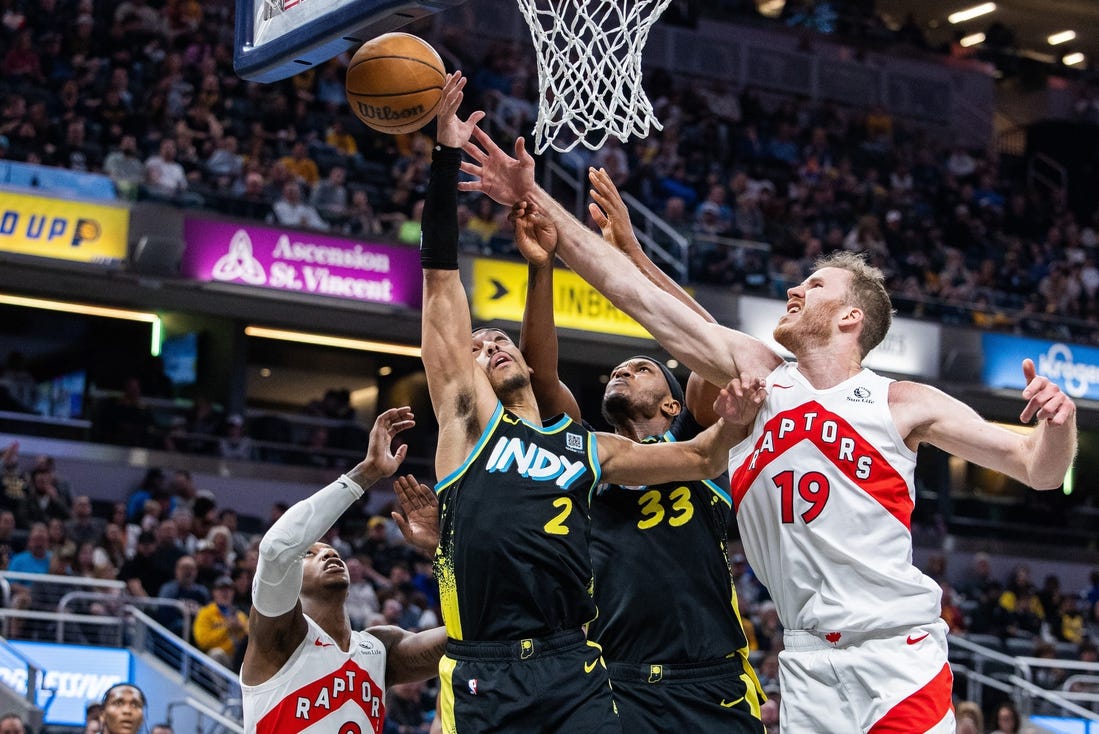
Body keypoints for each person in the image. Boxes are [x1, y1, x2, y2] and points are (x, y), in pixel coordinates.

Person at [459, 135, 1078, 732]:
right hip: (805, 662)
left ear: (849, 316)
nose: (793, 289)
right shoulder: (759, 380)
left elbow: (1038, 468)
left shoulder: (903, 401)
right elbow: (637, 298)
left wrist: (1060, 424)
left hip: (897, 652)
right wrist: (535, 197)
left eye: (813, 287)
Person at [420, 72, 756, 734]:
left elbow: (701, 412)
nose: (494, 350)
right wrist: (444, 160)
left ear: (669, 405)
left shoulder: (599, 449)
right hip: (556, 669)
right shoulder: (494, 427)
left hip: (629, 670)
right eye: (482, 346)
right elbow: (446, 291)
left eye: (643, 366)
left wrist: (732, 430)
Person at [510, 186, 764, 731]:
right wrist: (541, 268)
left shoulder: (712, 444)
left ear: (673, 404)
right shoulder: (587, 452)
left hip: (712, 677)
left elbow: (716, 345)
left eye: (642, 368)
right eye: (617, 370)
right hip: (614, 678)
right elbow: (541, 378)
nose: (623, 371)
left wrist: (633, 256)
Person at [240, 407, 447, 733]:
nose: (327, 555)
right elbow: (278, 549)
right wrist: (366, 473)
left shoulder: (380, 646)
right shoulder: (280, 636)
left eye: (332, 550)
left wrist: (443, 553)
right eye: (309, 553)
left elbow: (468, 635)